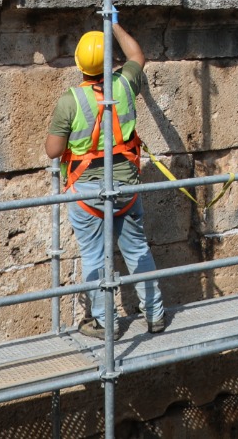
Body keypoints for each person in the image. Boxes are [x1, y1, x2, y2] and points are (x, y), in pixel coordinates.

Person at [44, 18, 166, 335]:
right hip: (126, 186)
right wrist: (113, 25)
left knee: (95, 256)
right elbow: (137, 56)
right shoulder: (125, 84)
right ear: (110, 61)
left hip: (86, 192)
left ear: (78, 62)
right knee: (137, 250)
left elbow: (53, 150)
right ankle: (155, 314)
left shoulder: (70, 100)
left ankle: (104, 321)